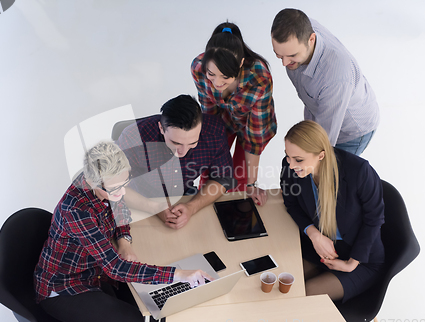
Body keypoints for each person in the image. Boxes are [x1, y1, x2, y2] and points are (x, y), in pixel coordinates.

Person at [34, 141, 211, 322]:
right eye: (115, 188)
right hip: (65, 287)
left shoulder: (106, 186)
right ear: (93, 181)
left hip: (95, 273)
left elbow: (120, 212)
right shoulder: (76, 212)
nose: (122, 192)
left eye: (125, 183)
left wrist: (124, 240)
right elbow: (115, 267)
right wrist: (178, 274)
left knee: (153, 309)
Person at [280, 120, 385, 302]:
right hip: (318, 250)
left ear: (321, 155)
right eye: (288, 156)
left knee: (306, 294)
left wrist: (351, 263)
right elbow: (291, 204)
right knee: (282, 280)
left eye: (298, 160)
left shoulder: (359, 171)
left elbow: (374, 219)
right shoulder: (291, 168)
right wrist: (314, 234)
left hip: (360, 261)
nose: (290, 165)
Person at [116, 95, 235, 230]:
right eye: (175, 143)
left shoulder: (214, 131)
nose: (182, 152)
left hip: (185, 198)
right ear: (161, 128)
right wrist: (154, 207)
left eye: (192, 143)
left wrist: (192, 207)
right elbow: (113, 185)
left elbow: (223, 178)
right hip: (140, 203)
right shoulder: (132, 137)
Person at [271, 9, 380, 156]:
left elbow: (323, 141)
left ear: (311, 40)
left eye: (292, 55)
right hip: (320, 112)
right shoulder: (300, 27)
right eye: (278, 55)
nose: (284, 63)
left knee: (329, 175)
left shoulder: (335, 78)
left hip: (351, 132)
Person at [191, 21, 277, 206]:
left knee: (239, 179)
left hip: (253, 125)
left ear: (241, 63)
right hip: (223, 119)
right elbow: (209, 114)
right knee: (209, 176)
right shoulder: (198, 68)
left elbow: (254, 137)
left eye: (226, 76)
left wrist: (252, 184)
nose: (217, 82)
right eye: (211, 74)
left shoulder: (259, 77)